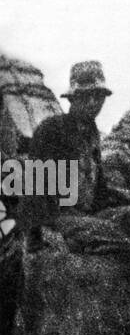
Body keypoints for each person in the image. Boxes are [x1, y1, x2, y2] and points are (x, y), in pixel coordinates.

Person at [17, 60, 113, 235]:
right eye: (85, 96)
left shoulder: (92, 134)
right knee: (110, 230)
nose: (93, 102)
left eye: (98, 96)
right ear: (73, 98)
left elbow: (99, 190)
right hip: (55, 218)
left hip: (83, 216)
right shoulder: (52, 130)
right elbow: (38, 192)